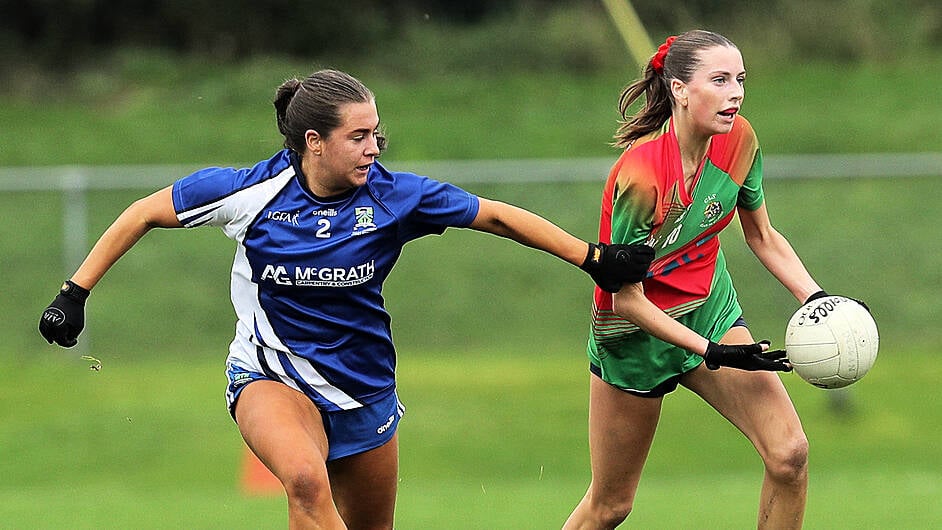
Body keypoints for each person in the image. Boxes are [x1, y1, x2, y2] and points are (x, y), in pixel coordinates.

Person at [38, 68, 654, 529]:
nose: (374, 148)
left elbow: (494, 216)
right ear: (315, 141)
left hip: (363, 386)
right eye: (359, 137)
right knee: (305, 483)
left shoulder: (395, 196)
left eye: (377, 135)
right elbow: (143, 213)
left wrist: (592, 258)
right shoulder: (248, 192)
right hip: (268, 373)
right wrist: (75, 292)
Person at [563, 30, 866, 529]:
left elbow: (763, 236)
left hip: (710, 309)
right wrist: (710, 351)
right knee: (611, 506)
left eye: (741, 80)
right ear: (680, 89)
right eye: (720, 80)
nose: (736, 93)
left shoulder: (739, 140)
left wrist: (817, 298)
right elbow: (625, 300)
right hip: (635, 337)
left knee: (789, 456)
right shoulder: (642, 175)